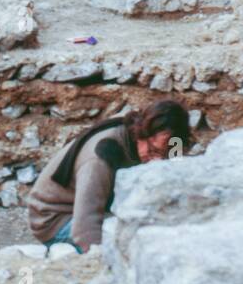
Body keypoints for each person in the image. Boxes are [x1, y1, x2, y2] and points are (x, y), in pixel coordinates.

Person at [27, 100, 191, 253]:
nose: (158, 160)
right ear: (141, 134)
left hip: (91, 208)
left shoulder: (140, 128)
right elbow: (84, 225)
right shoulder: (101, 158)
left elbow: (173, 165)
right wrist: (101, 263)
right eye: (154, 151)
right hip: (56, 220)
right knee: (137, 245)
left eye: (165, 154)